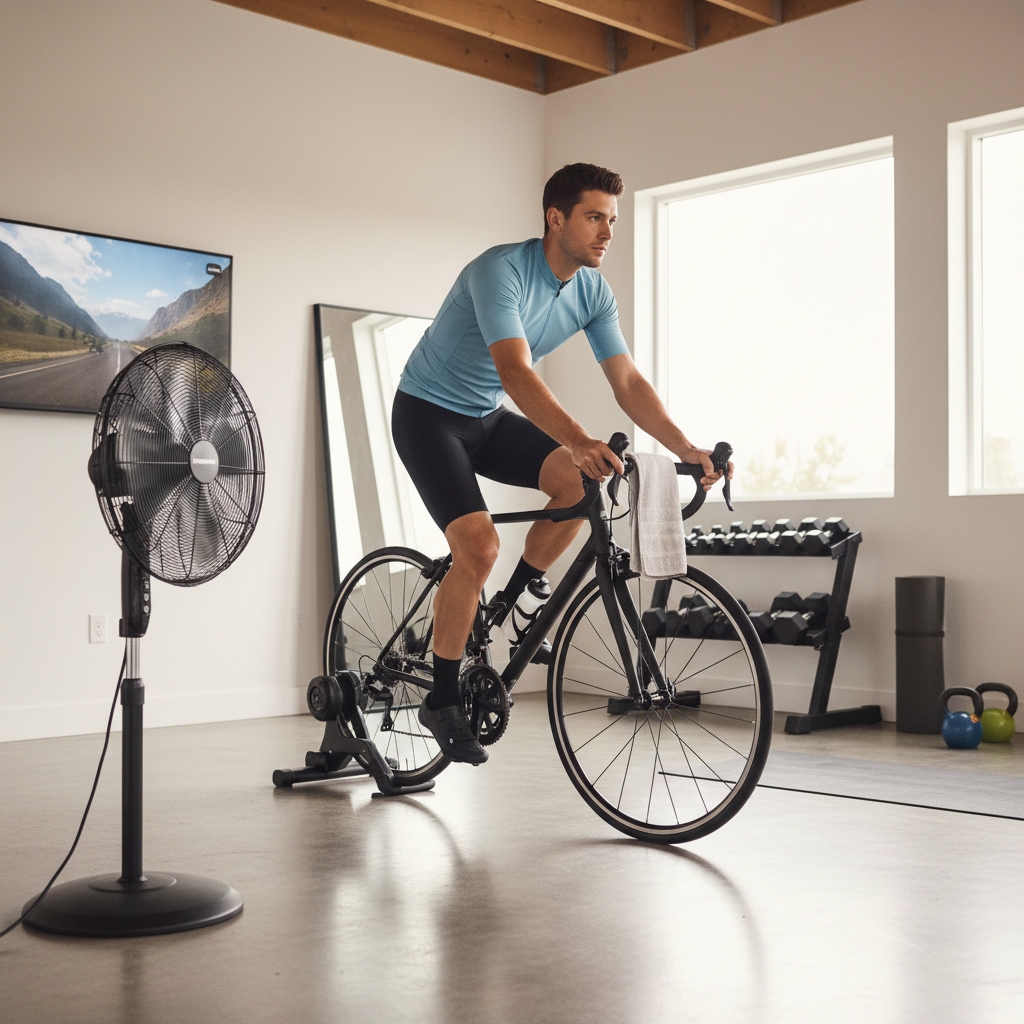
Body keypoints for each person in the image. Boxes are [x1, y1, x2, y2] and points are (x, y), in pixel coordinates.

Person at [391, 163, 728, 765]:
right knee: (478, 547)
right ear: (556, 218)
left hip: (486, 417)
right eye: (595, 217)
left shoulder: (593, 291)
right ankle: (440, 698)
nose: (607, 232)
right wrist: (576, 437)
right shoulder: (500, 271)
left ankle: (518, 601)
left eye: (613, 221)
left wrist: (687, 449)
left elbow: (626, 381)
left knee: (580, 482)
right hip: (427, 415)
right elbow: (516, 371)